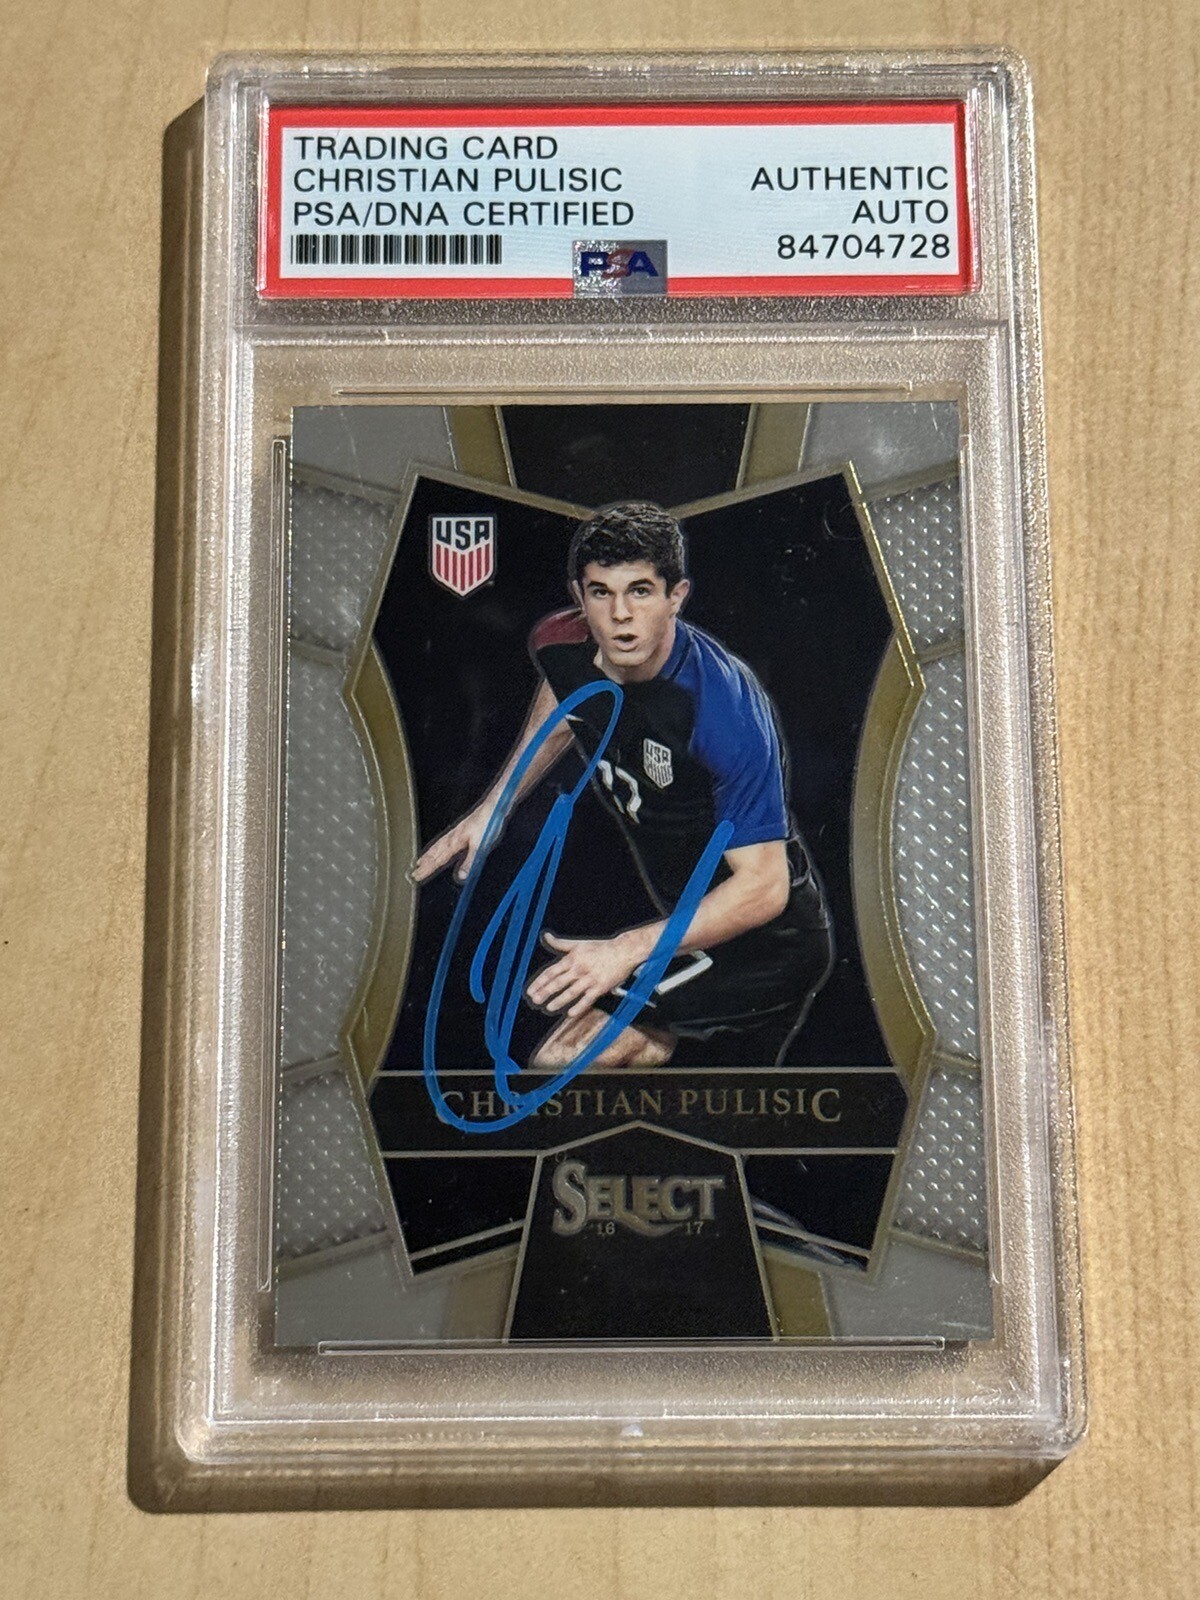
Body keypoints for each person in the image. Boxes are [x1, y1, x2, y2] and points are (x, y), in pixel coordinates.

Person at [413, 501, 833, 1070]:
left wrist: (626, 949)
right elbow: (565, 698)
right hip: (686, 926)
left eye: (640, 591)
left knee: (566, 1063)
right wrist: (497, 805)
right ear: (579, 596)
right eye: (601, 593)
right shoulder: (560, 644)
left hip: (769, 943)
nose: (620, 616)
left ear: (676, 596)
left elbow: (764, 887)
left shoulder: (721, 711)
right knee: (679, 1088)